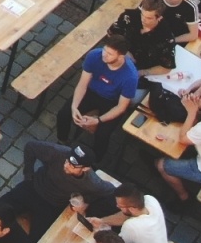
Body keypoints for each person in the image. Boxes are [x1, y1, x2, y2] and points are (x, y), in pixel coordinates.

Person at [55, 33, 139, 161]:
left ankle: (95, 159)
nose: (104, 55)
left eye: (110, 54)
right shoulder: (94, 56)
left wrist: (98, 121)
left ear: (121, 56)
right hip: (91, 92)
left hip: (112, 101)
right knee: (63, 114)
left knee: (102, 134)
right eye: (104, 50)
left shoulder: (130, 76)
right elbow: (83, 84)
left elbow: (121, 107)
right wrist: (74, 107)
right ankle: (62, 140)